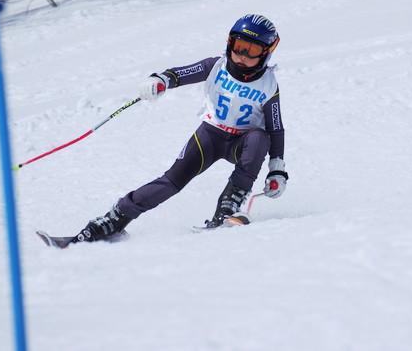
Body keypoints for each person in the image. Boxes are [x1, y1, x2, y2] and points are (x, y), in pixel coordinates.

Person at [72, 14, 287, 243]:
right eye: (239, 46)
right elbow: (179, 74)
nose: (242, 56)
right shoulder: (216, 67)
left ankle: (228, 207)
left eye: (251, 50)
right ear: (229, 43)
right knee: (171, 181)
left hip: (242, 144)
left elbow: (276, 129)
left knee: (259, 138)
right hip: (211, 136)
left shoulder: (268, 85)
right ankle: (112, 221)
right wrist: (160, 80)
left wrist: (276, 169)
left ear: (266, 53)